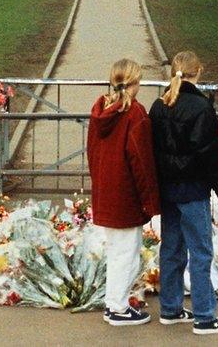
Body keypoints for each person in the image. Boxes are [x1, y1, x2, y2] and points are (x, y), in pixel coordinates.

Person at [149, 50, 218, 335]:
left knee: (171, 248)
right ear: (198, 73)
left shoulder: (159, 106)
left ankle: (171, 308)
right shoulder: (200, 108)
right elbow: (210, 153)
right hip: (193, 189)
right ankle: (204, 316)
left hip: (167, 188)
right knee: (200, 251)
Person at [87, 58, 160, 326]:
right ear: (134, 83)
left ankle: (114, 302)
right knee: (127, 253)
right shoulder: (136, 114)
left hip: (106, 190)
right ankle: (116, 307)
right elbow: (141, 162)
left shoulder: (100, 109)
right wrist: (150, 201)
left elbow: (92, 152)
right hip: (126, 194)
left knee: (116, 251)